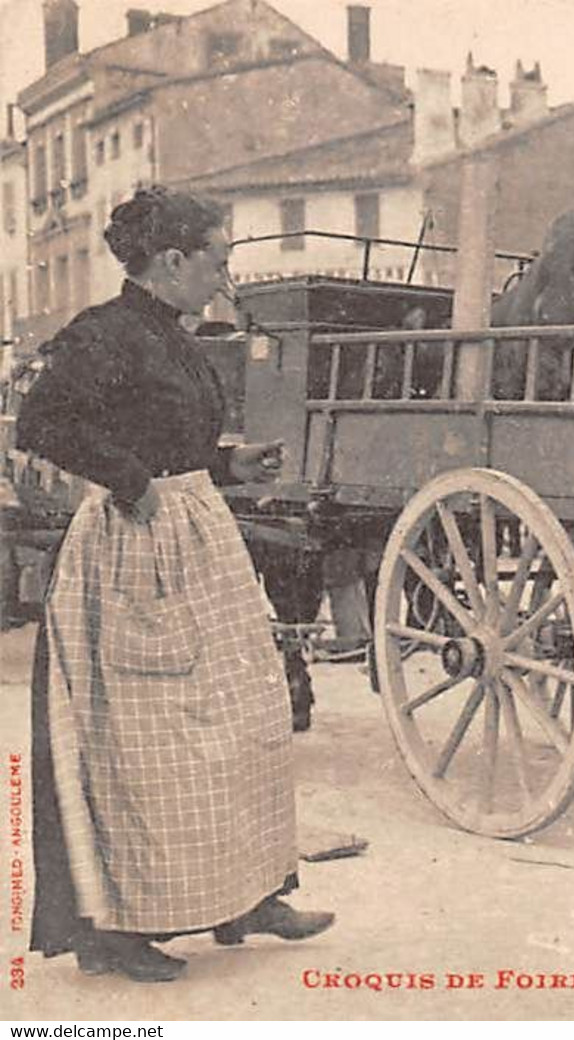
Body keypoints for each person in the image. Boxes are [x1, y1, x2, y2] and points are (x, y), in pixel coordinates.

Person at [16, 186, 334, 983]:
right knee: (142, 744)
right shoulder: (104, 334)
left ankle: (248, 895)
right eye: (218, 261)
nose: (224, 278)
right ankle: (113, 932)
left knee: (244, 715)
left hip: (193, 532)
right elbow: (43, 424)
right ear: (173, 260)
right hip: (129, 547)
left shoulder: (172, 334)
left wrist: (228, 463)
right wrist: (132, 483)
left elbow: (167, 432)